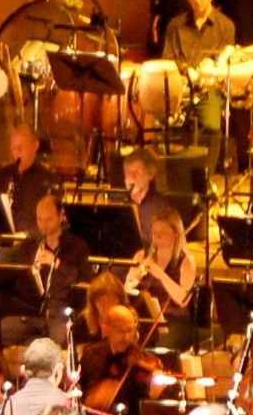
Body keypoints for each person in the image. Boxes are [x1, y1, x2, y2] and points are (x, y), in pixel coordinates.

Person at [0, 191, 90, 347]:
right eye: (39, 219)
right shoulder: (30, 246)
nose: (44, 225)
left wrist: (57, 264)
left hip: (59, 313)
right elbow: (18, 285)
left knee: (62, 341)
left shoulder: (77, 246)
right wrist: (30, 271)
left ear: (61, 216)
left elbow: (84, 283)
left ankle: (34, 343)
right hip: (30, 312)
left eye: (49, 219)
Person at [162, 0, 236, 175]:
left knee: (211, 126)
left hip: (209, 86)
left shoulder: (225, 26)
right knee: (166, 124)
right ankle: (176, 176)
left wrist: (206, 72)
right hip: (181, 85)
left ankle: (205, 177)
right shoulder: (175, 25)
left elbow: (225, 61)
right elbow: (169, 57)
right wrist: (186, 70)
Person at [125, 206, 197, 352]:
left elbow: (183, 299)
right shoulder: (141, 255)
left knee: (159, 348)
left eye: (162, 233)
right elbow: (127, 288)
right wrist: (135, 277)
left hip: (173, 320)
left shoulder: (186, 261)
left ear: (176, 233)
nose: (156, 237)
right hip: (145, 318)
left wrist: (160, 274)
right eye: (154, 232)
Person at [0, 124, 55, 235]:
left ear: (35, 145)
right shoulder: (1, 176)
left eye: (21, 147)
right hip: (1, 237)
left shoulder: (48, 180)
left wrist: (26, 234)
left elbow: (51, 222)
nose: (17, 153)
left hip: (31, 240)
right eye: (14, 148)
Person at [122, 148, 170, 246]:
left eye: (137, 172)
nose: (132, 176)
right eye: (128, 172)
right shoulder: (118, 203)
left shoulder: (160, 206)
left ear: (150, 175)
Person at [74, 270, 127, 350]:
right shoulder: (83, 322)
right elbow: (80, 352)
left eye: (110, 301)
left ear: (120, 301)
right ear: (93, 303)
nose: (106, 307)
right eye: (100, 301)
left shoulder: (128, 321)